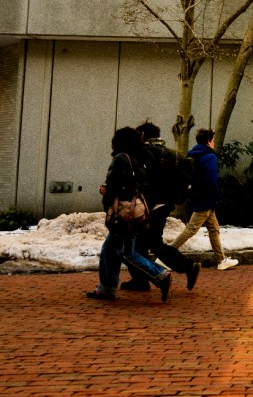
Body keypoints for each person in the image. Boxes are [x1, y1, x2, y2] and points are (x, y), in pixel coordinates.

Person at [86, 126, 172, 302]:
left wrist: (106, 195)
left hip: (123, 214)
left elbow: (115, 186)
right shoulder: (137, 159)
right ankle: (106, 289)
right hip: (134, 212)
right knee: (110, 250)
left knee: (126, 252)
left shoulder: (120, 159)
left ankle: (160, 276)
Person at [120, 122, 202, 293]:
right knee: (151, 242)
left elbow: (142, 179)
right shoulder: (171, 153)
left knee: (138, 244)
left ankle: (144, 279)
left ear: (142, 135)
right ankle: (183, 268)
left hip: (149, 205)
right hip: (166, 204)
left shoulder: (145, 153)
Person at [169, 128, 239, 271]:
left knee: (214, 228)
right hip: (207, 197)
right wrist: (216, 195)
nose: (213, 143)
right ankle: (166, 255)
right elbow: (211, 179)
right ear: (209, 141)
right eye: (212, 140)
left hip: (197, 195)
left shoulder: (192, 154)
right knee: (191, 229)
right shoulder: (210, 156)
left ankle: (221, 260)